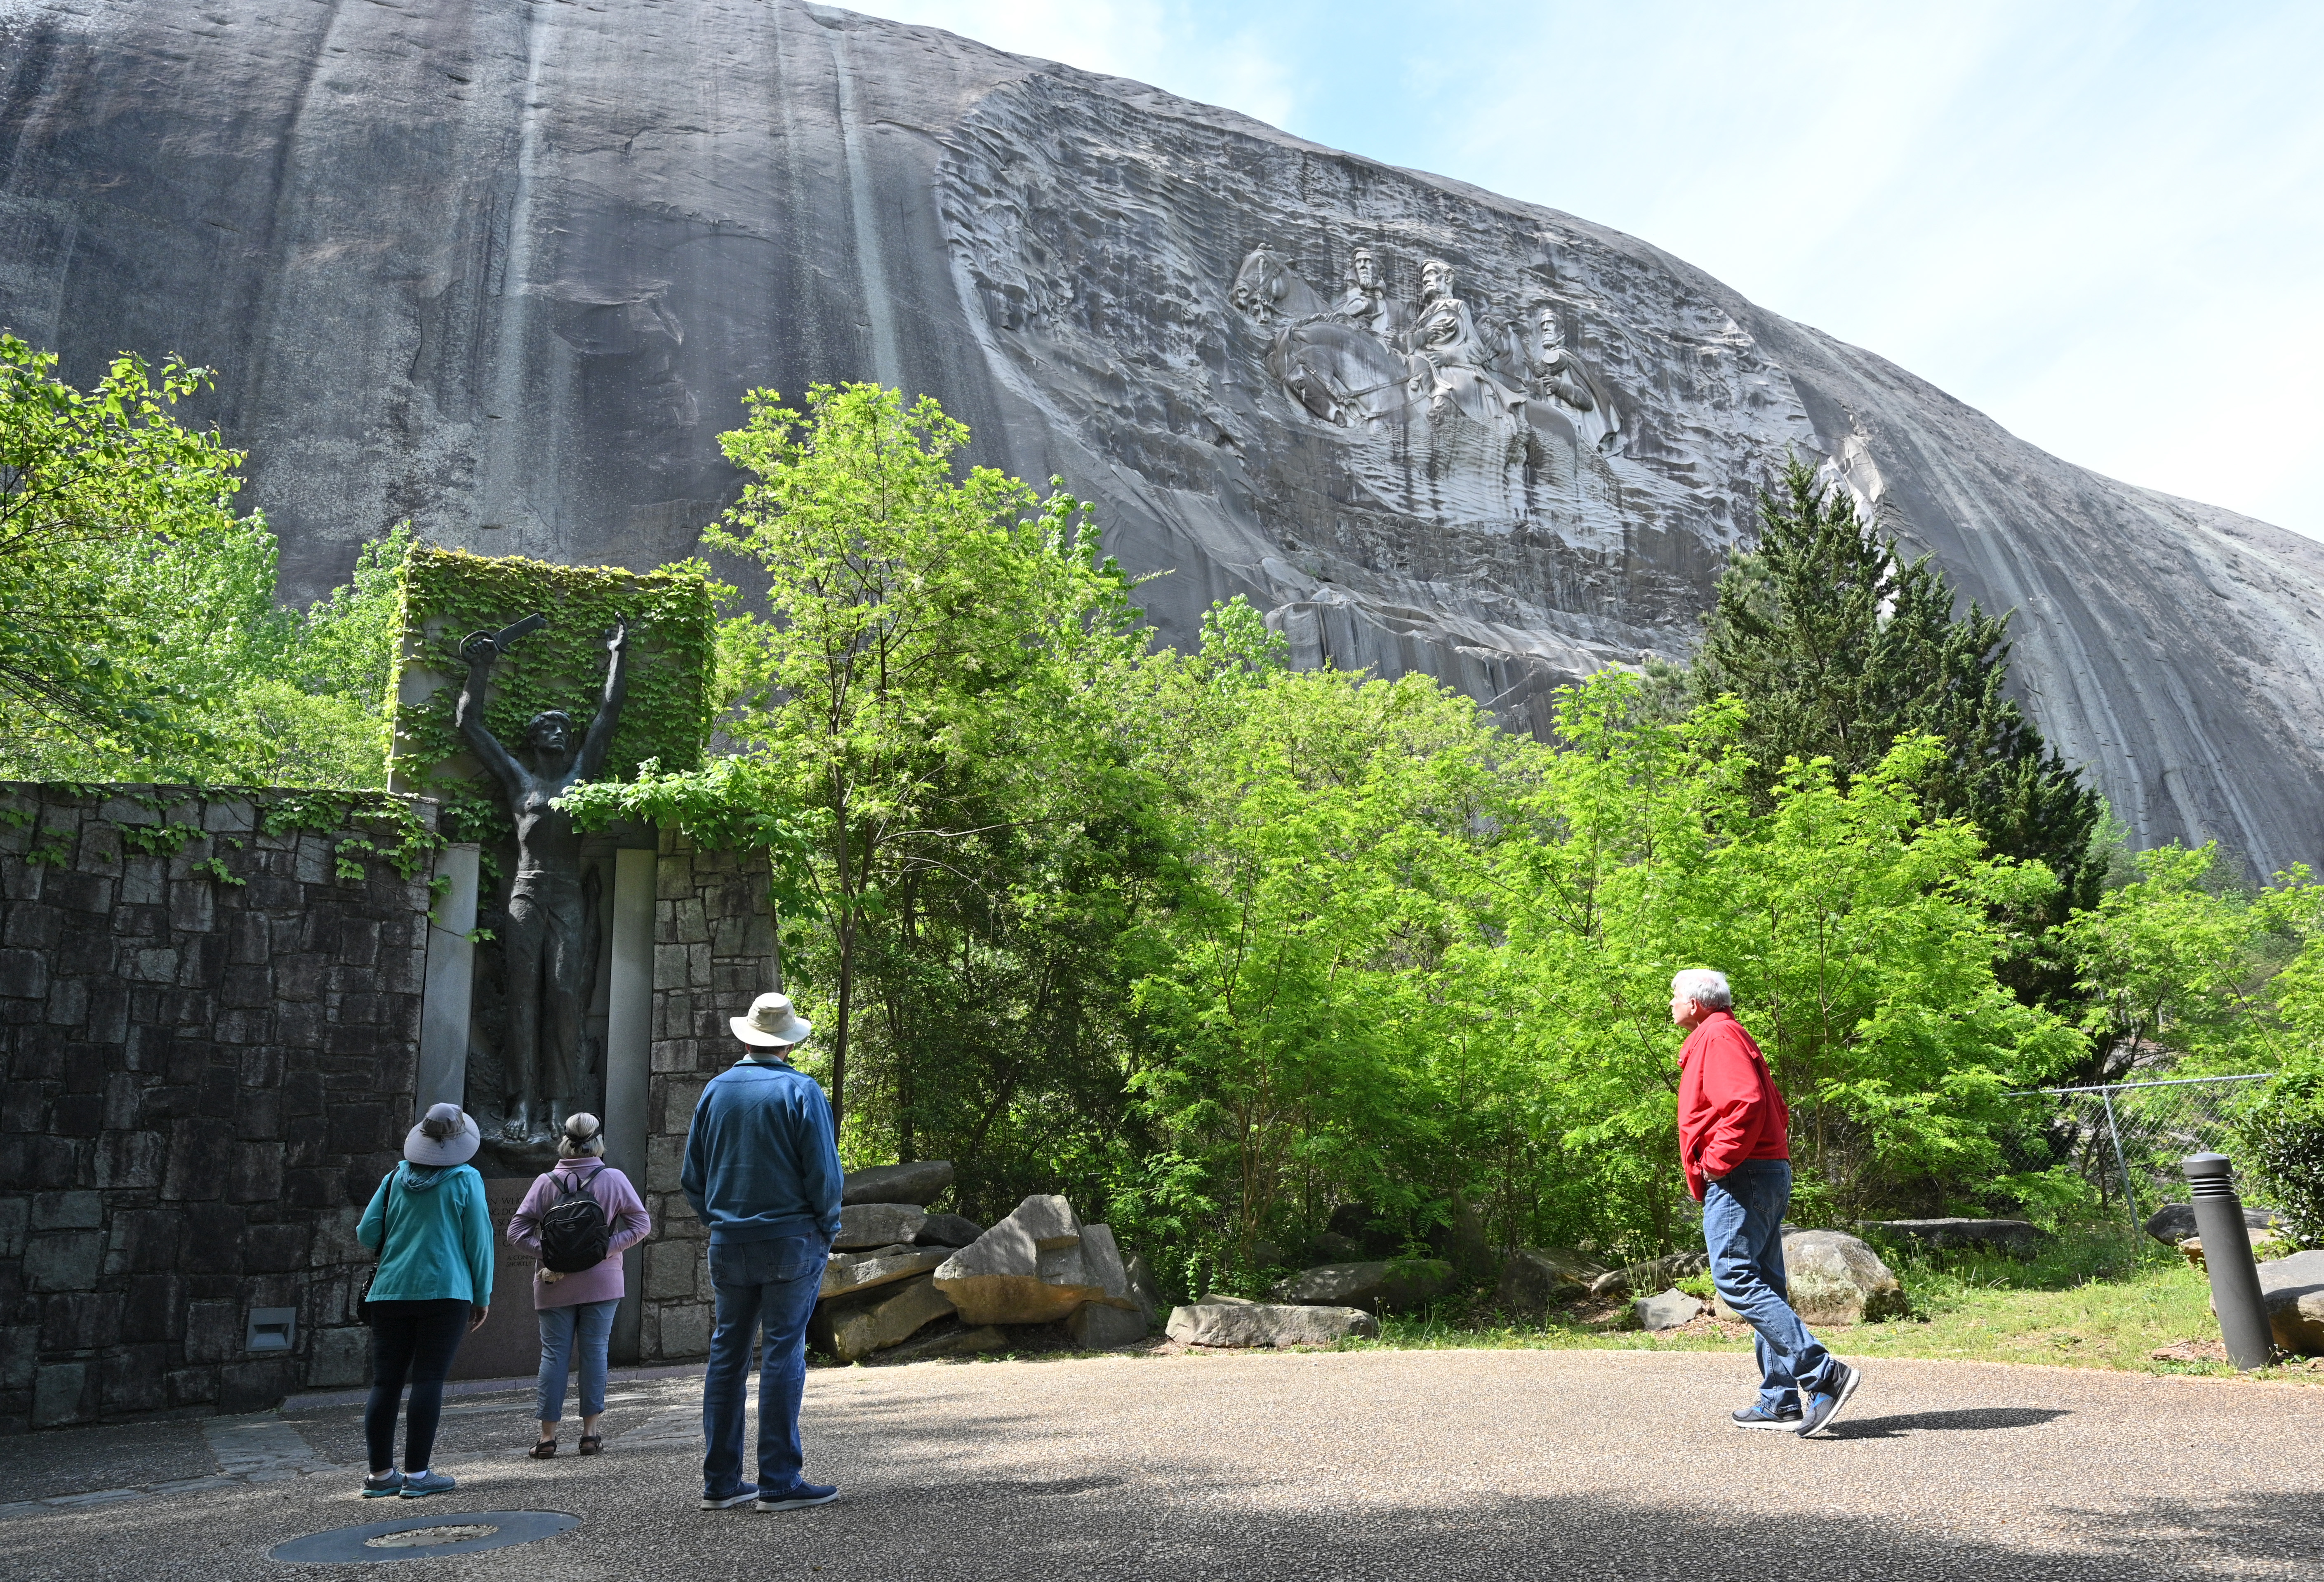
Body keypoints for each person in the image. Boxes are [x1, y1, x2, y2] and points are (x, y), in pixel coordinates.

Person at [455, 618, 630, 1143]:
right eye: (547, 725)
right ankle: (521, 1100)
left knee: (563, 994)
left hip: (568, 896)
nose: (559, 729)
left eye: (563, 726)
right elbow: (469, 724)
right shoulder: (518, 779)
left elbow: (608, 715)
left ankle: (559, 1102)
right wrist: (480, 667)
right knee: (522, 998)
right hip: (526, 891)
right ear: (533, 739)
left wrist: (618, 653)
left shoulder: (582, 774)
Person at [1671, 968, 1862, 1436]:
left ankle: (1823, 1372)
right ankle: (1780, 1401)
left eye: (1674, 996)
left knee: (1733, 1276)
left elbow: (1746, 1102)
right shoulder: (1729, 1034)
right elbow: (1775, 1107)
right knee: (1766, 1283)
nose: (1669, 1004)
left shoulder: (1716, 1036)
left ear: (1695, 1003)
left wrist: (1718, 1160)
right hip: (1762, 1170)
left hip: (1743, 1174)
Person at [680, 991, 845, 1513]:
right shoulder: (801, 1090)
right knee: (782, 1352)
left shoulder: (715, 1091)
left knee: (727, 1355)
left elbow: (692, 1176)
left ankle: (721, 1481)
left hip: (729, 1242)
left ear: (746, 1036)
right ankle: (778, 1480)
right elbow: (823, 1171)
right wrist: (828, 1226)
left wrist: (719, 1220)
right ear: (789, 1042)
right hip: (792, 1237)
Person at [356, 1103, 494, 1498]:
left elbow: (367, 1233)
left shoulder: (394, 1178)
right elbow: (479, 1243)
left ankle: (380, 1476)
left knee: (386, 1383)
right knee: (429, 1380)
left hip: (390, 1291)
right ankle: (418, 1476)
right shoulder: (467, 1179)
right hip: (446, 1291)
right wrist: (482, 1295)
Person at [506, 1111, 652, 1458]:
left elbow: (516, 1233)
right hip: (603, 1282)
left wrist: (553, 1255)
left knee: (554, 1356)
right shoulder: (613, 1178)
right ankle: (590, 1434)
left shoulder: (546, 1181)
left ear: (565, 1141)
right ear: (598, 1141)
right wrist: (604, 1249)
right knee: (595, 1354)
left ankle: (547, 1438)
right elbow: (641, 1224)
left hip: (553, 1282)